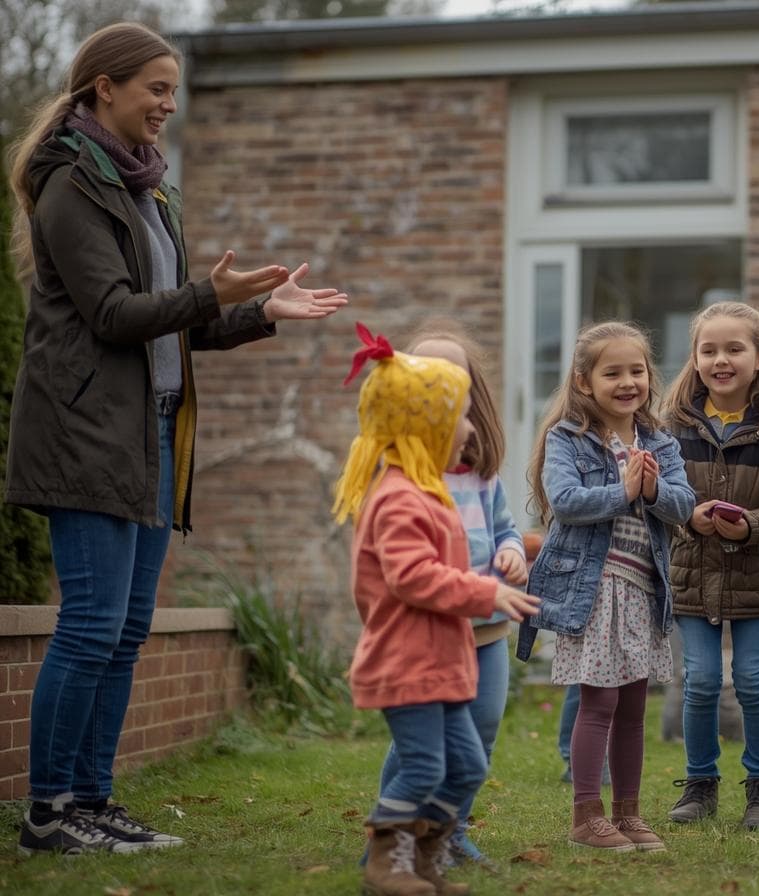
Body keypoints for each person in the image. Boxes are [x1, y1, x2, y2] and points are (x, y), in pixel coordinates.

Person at [6, 22, 347, 856]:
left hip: (153, 433)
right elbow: (113, 315)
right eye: (156, 88)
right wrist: (208, 293)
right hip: (85, 432)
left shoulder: (149, 190)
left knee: (126, 630)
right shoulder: (71, 182)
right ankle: (49, 810)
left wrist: (257, 311)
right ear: (105, 88)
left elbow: (171, 327)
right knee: (90, 623)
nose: (168, 104)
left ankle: (94, 800)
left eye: (174, 90)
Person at [331, 324, 539, 896]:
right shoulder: (399, 497)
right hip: (408, 658)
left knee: (468, 765)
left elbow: (489, 536)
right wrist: (487, 592)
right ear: (426, 425)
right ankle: (387, 858)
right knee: (424, 765)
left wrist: (509, 557)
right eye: (459, 415)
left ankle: (427, 853)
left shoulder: (432, 489)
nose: (470, 428)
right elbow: (411, 575)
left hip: (444, 654)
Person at [517, 321, 696, 853]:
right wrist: (624, 490)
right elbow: (566, 501)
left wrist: (654, 489)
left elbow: (684, 504)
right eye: (612, 373)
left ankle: (629, 813)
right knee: (599, 704)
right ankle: (586, 816)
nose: (627, 382)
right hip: (592, 591)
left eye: (636, 371)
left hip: (642, 589)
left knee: (634, 708)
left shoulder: (660, 442)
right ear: (584, 381)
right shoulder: (568, 439)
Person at [662, 301, 759, 829]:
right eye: (709, 350)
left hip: (757, 575)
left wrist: (752, 525)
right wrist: (688, 516)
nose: (720, 360)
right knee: (701, 679)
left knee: (752, 681)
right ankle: (699, 784)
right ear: (695, 358)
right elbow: (659, 494)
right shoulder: (674, 424)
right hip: (692, 571)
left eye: (734, 349)